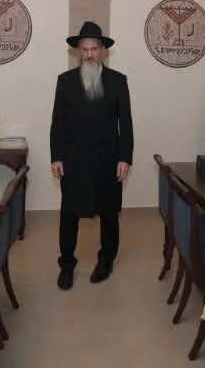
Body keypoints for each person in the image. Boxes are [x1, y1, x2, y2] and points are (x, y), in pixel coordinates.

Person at [50, 21, 134, 290]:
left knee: (109, 214)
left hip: (108, 161)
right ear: (78, 52)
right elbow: (57, 123)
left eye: (93, 49)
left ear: (102, 51)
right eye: (84, 49)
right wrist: (56, 156)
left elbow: (126, 124)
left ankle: (106, 260)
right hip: (73, 161)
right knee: (69, 214)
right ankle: (66, 264)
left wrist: (124, 158)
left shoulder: (118, 81)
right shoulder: (65, 81)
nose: (88, 54)